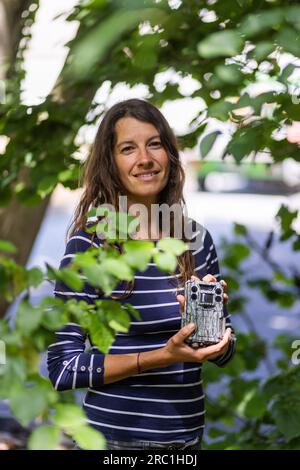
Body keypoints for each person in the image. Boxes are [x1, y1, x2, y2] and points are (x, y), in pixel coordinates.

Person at [47, 98, 236, 451]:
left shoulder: (195, 240)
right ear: (111, 163)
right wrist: (163, 356)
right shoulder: (90, 246)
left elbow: (225, 353)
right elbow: (63, 367)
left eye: (154, 144)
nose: (145, 159)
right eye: (128, 149)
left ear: (169, 154)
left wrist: (214, 331)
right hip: (110, 442)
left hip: (184, 442)